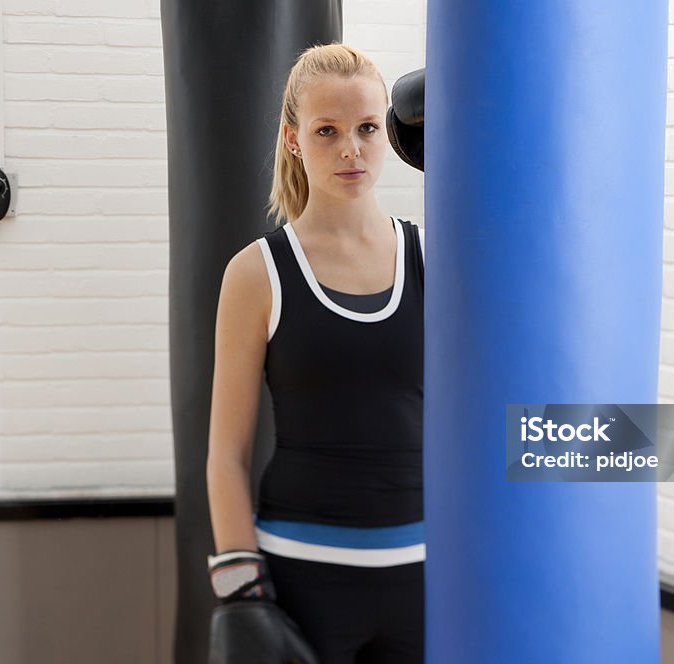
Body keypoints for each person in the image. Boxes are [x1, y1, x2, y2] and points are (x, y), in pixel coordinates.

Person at [205, 43, 425, 664]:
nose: (350, 149)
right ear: (294, 138)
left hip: (426, 573)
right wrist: (241, 591)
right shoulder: (257, 272)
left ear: (390, 132)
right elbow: (226, 455)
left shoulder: (435, 257)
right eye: (327, 131)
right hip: (302, 578)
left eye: (367, 128)